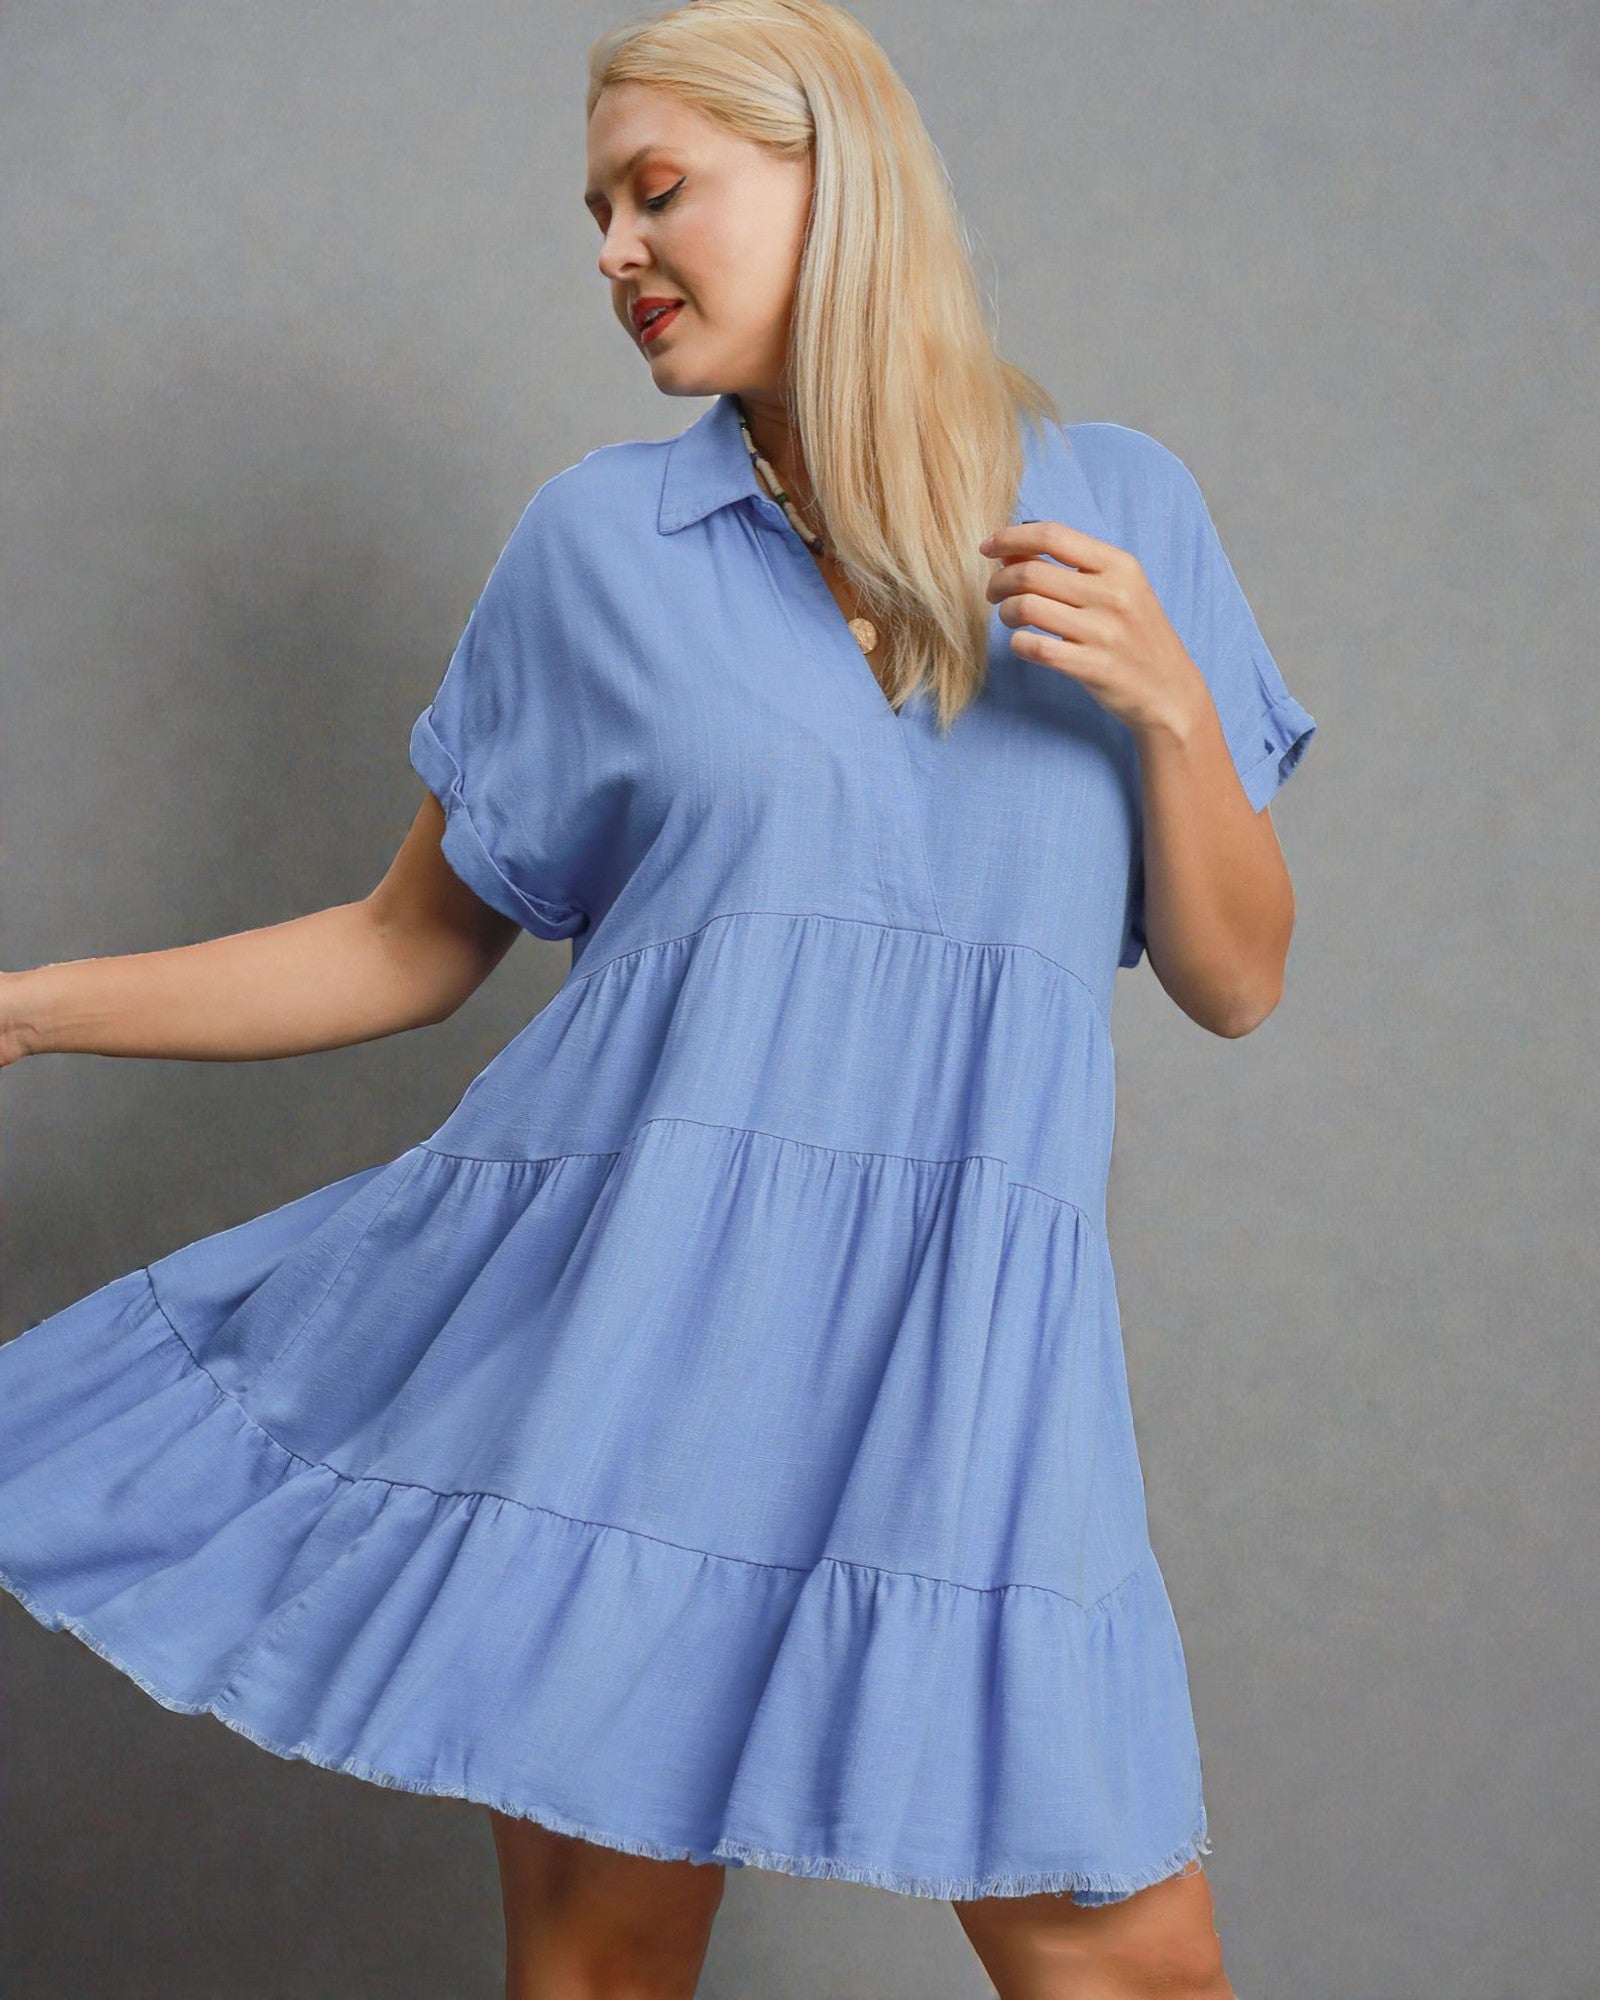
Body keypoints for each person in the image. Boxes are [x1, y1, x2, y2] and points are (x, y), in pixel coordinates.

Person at [0, 3, 1317, 1995]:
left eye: (657, 189)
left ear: (835, 181)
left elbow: (1235, 977)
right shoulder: (595, 549)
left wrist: (1173, 710)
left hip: (975, 1359)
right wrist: (24, 1005)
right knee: (608, 1954)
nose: (613, 246)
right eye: (596, 208)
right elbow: (406, 944)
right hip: (638, 1350)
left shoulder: (1115, 511)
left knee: (1131, 1959)